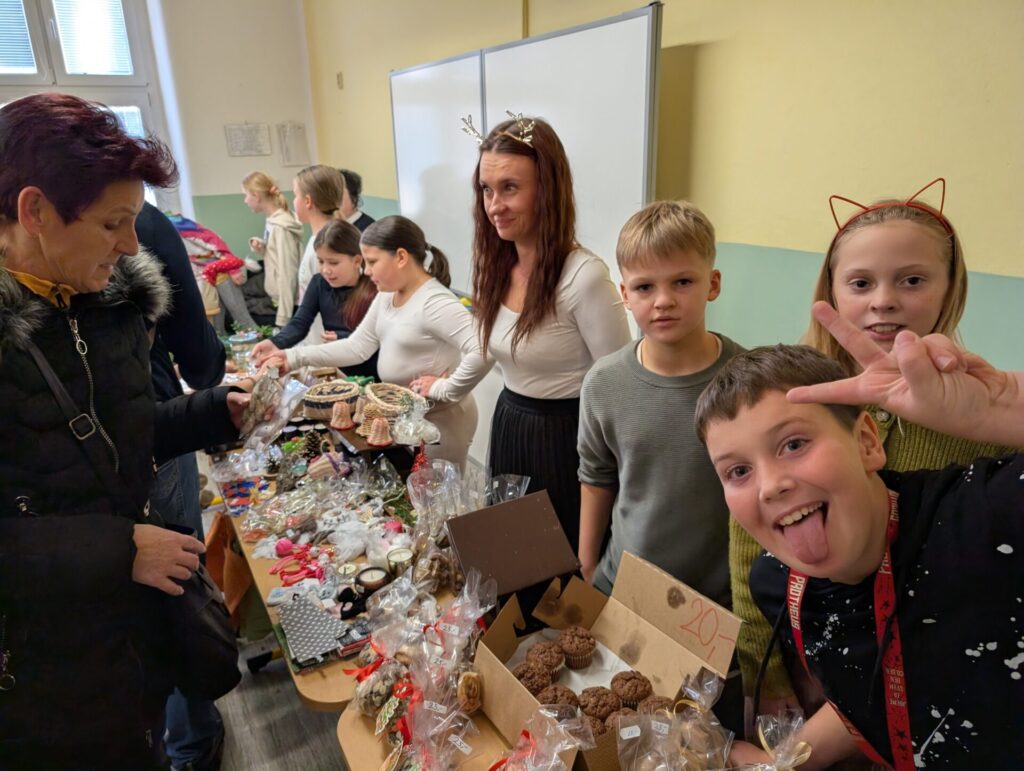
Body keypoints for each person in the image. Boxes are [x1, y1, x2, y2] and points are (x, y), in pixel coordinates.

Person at [0, 93, 246, 768]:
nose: (132, 245)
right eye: (113, 223)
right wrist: (117, 549)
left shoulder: (107, 305)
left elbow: (114, 442)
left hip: (129, 637)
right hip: (42, 665)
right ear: (35, 212)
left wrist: (212, 411)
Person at [728, 179, 1012, 722]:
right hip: (813, 659)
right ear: (832, 290)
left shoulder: (978, 414)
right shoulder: (791, 395)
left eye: (912, 280)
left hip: (939, 675)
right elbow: (748, 552)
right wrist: (767, 673)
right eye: (861, 282)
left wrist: (996, 407)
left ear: (950, 289)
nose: (883, 300)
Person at [697, 304, 1024, 769]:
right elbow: (882, 686)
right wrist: (781, 764)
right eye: (738, 471)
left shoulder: (981, 516)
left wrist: (1000, 406)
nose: (770, 486)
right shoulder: (778, 585)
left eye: (794, 444)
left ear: (867, 443)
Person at [472, 114, 631, 551]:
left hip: (566, 441)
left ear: (548, 188)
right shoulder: (498, 267)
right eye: (486, 189)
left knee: (561, 565)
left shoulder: (583, 277)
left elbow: (620, 387)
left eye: (510, 188)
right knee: (515, 557)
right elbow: (496, 352)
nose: (494, 206)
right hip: (511, 425)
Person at [577, 200, 742, 603]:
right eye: (644, 287)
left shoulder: (748, 380)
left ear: (713, 284)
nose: (663, 300)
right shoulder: (603, 383)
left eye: (682, 282)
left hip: (717, 601)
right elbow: (596, 477)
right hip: (625, 587)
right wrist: (586, 566)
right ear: (624, 294)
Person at [266, 216, 487, 469]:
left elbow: (484, 349)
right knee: (411, 486)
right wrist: (292, 357)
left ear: (401, 257)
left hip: (441, 422)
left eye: (372, 261)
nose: (367, 271)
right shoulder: (387, 295)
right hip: (408, 419)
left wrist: (445, 388)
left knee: (435, 491)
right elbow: (357, 347)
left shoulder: (434, 303)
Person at [136, 201, 228, 771]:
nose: (123, 243)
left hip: (152, 441)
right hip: (156, 444)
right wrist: (212, 385)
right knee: (177, 595)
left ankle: (182, 741)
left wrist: (216, 405)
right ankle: (191, 741)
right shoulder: (145, 221)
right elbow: (198, 354)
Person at [251, 219, 378, 380]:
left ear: (357, 261)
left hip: (372, 375)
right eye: (320, 261)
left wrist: (344, 337)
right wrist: (274, 343)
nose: (325, 270)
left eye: (333, 262)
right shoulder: (319, 283)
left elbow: (377, 340)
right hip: (340, 373)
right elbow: (300, 323)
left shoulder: (375, 287)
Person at [242, 171, 303, 327]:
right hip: (280, 299)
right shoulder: (273, 220)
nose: (245, 201)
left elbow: (288, 271)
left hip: (288, 304)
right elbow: (277, 254)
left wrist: (283, 318)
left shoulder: (280, 227)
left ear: (256, 196)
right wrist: (262, 247)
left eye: (246, 195)